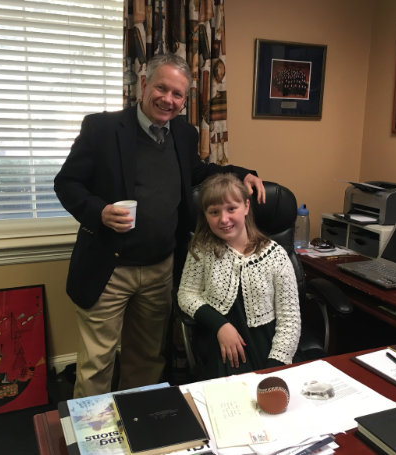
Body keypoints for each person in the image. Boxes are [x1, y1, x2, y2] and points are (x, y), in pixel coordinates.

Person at [54, 53, 265, 398]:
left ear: (185, 99)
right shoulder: (102, 128)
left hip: (160, 268)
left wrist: (242, 173)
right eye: (162, 88)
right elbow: (67, 183)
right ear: (143, 84)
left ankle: (137, 431)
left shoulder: (183, 132)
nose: (169, 99)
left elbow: (196, 173)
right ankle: (93, 443)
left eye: (178, 94)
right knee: (97, 363)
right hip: (109, 266)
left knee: (147, 360)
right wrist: (99, 211)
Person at [177, 174, 301, 379]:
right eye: (214, 212)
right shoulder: (202, 251)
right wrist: (220, 325)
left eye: (231, 209)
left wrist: (274, 367)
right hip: (226, 353)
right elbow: (186, 294)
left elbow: (290, 320)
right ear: (206, 216)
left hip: (271, 351)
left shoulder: (275, 255)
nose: (224, 219)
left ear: (246, 206)